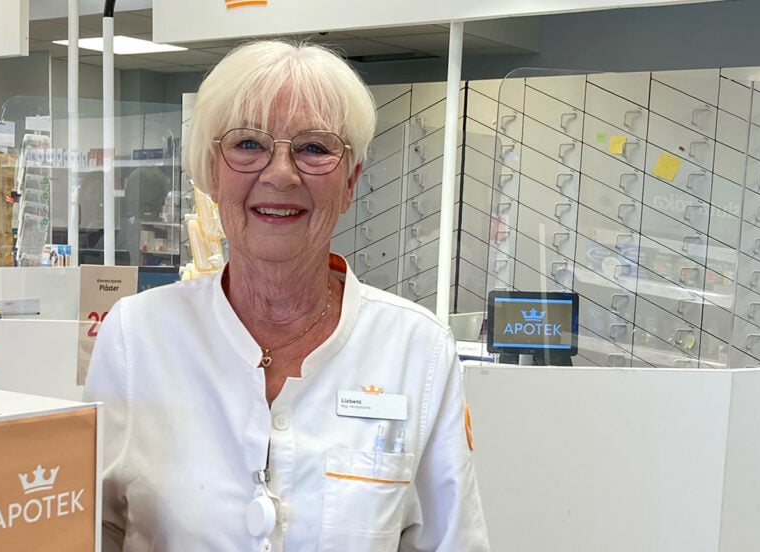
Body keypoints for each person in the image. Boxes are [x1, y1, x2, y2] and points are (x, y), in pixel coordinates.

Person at [83, 40, 490, 551]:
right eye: (248, 144)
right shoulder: (137, 335)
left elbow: (453, 542)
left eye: (314, 148)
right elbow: (90, 527)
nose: (280, 173)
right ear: (212, 173)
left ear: (350, 182)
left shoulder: (416, 349)